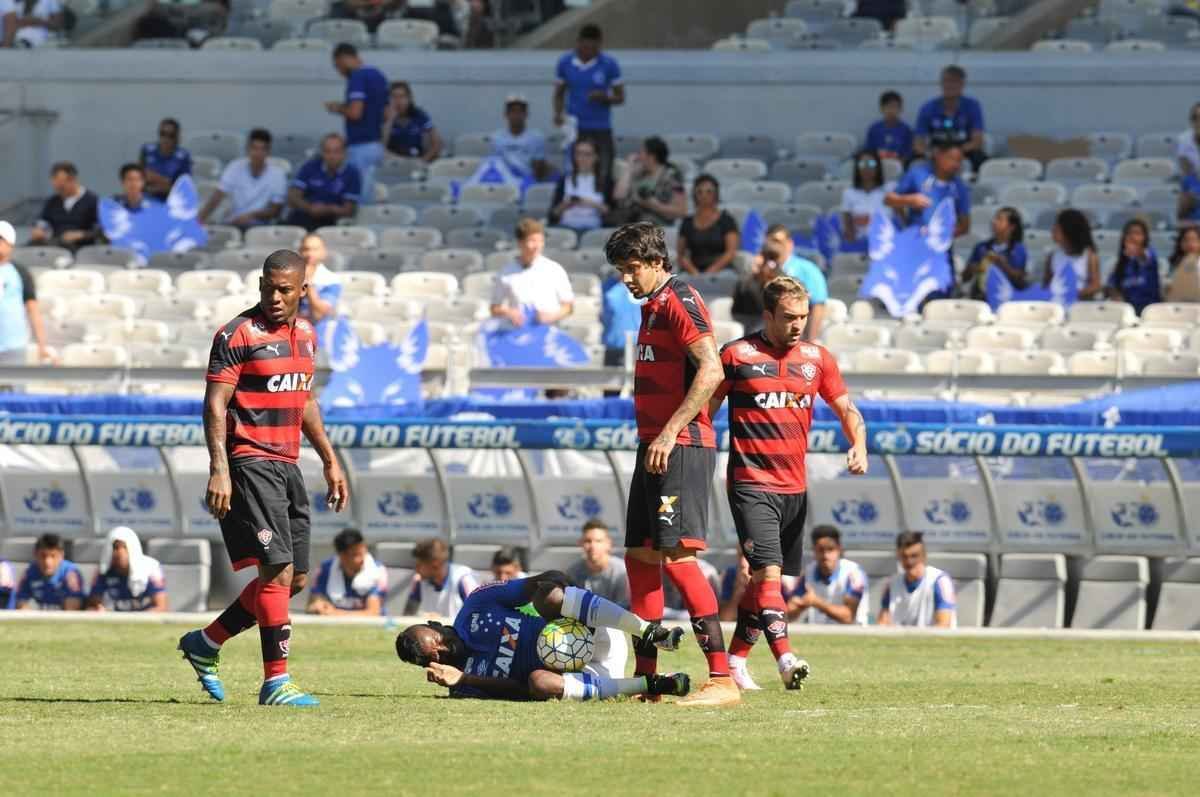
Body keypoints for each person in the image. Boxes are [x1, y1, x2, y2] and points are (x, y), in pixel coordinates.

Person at [177, 249, 349, 708]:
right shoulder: (237, 334)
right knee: (274, 569)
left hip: (288, 463)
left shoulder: (308, 336)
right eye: (268, 288)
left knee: (294, 579)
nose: (274, 297)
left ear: (302, 292)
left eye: (284, 289)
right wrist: (220, 469)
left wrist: (330, 459)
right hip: (249, 462)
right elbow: (215, 405)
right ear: (259, 285)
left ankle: (206, 642)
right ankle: (277, 681)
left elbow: (304, 400)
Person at [709, 277, 868, 690]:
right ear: (768, 316)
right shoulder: (737, 356)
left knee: (764, 582)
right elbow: (704, 411)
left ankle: (735, 661)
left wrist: (859, 445)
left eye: (802, 316)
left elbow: (847, 407)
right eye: (789, 317)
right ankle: (785, 660)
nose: (798, 325)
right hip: (750, 483)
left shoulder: (818, 359)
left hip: (794, 489)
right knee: (770, 577)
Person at [604, 221, 740, 708]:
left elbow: (712, 367)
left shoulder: (681, 299)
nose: (626, 278)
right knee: (640, 559)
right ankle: (648, 682)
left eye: (632, 267)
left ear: (657, 262)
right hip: (654, 446)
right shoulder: (651, 307)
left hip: (678, 446)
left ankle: (722, 680)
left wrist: (669, 431)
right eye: (621, 270)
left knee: (679, 557)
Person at [397, 571, 690, 702]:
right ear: (430, 666)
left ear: (435, 623)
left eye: (439, 639)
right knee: (539, 682)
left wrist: (559, 593)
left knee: (546, 594)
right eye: (435, 656)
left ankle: (649, 631)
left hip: (592, 629)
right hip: (589, 677)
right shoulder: (461, 686)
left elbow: (543, 580)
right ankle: (651, 684)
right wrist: (463, 680)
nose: (446, 649)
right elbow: (524, 692)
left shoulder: (477, 604)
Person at [885, 141, 971, 302]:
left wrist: (941, 236)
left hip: (941, 252)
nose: (956, 164)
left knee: (940, 299)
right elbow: (889, 199)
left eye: (960, 160)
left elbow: (965, 226)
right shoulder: (918, 174)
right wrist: (909, 200)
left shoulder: (959, 187)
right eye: (952, 158)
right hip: (915, 245)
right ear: (938, 155)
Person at [553, 24, 624, 185]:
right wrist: (558, 114)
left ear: (599, 45)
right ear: (578, 42)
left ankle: (603, 203)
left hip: (601, 127)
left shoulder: (609, 64)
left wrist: (604, 96)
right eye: (585, 48)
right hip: (576, 127)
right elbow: (559, 94)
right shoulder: (565, 62)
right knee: (575, 171)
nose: (588, 53)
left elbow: (620, 97)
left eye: (593, 49)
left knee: (604, 171)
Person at [326, 43, 388, 207]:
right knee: (369, 194)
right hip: (376, 144)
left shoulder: (357, 77)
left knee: (358, 199)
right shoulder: (378, 75)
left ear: (344, 58)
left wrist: (337, 108)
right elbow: (387, 114)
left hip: (361, 145)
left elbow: (355, 112)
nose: (339, 71)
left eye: (338, 65)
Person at [489, 218, 574, 328]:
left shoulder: (554, 269)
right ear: (520, 243)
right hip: (519, 333)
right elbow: (494, 308)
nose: (537, 246)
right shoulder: (506, 272)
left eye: (540, 241)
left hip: (549, 332)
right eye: (532, 240)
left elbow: (568, 307)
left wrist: (551, 316)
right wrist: (509, 312)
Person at [198, 128, 287, 229]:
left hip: (261, 227)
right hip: (234, 222)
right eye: (254, 148)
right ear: (248, 149)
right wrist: (198, 220)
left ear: (268, 151)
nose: (257, 153)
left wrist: (252, 215)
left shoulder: (278, 174)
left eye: (262, 149)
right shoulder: (234, 167)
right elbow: (217, 197)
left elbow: (276, 211)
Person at [787, 526, 869, 626]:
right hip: (818, 634)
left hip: (855, 634)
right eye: (821, 550)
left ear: (839, 550)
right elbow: (788, 615)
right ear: (814, 551)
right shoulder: (808, 573)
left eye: (830, 549)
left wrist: (816, 602)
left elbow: (849, 617)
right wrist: (800, 606)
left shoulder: (854, 573)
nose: (825, 555)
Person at [914, 65, 986, 170]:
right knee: (912, 162)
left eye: (954, 81)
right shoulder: (927, 108)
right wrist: (929, 152)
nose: (950, 85)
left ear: (962, 84)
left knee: (982, 160)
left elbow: (977, 142)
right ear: (941, 83)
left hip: (963, 151)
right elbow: (918, 143)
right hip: (935, 152)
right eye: (946, 81)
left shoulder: (972, 106)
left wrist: (954, 152)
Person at [0, 220, 53, 365]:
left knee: (15, 386)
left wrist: (42, 345)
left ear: (10, 243)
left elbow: (33, 309)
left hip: (13, 345)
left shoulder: (20, 272)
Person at [877, 532, 956, 628]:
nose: (909, 561)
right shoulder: (892, 583)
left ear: (924, 556)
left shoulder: (940, 581)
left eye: (914, 556)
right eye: (904, 556)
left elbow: (944, 624)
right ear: (898, 556)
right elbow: (882, 623)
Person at [286, 133, 362, 232]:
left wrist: (326, 209)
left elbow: (348, 210)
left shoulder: (352, 174)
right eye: (327, 151)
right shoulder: (310, 167)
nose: (332, 156)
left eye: (336, 151)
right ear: (322, 152)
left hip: (333, 222)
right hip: (304, 215)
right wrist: (310, 208)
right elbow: (293, 197)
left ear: (344, 153)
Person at [766, 224, 828, 339]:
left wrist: (811, 339)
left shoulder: (808, 269)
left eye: (777, 241)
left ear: (789, 244)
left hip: (796, 334)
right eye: (769, 243)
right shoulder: (762, 269)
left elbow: (818, 304)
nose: (773, 246)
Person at [85, 526, 168, 612]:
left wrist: (136, 620)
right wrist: (99, 610)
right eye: (116, 547)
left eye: (125, 547)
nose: (120, 553)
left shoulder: (151, 568)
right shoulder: (103, 571)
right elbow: (92, 606)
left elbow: (161, 607)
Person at [308, 527, 387, 616]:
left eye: (363, 552)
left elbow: (373, 613)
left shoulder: (377, 571)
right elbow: (313, 603)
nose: (361, 559)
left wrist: (335, 613)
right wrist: (318, 606)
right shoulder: (324, 569)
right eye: (355, 555)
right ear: (342, 556)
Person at [611, 136, 686, 227]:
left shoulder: (672, 176)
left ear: (651, 156)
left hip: (657, 229)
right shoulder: (637, 174)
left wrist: (654, 205)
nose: (638, 156)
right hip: (629, 227)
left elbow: (680, 211)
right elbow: (618, 195)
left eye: (641, 152)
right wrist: (629, 169)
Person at [29, 162, 100, 250]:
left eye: (62, 186)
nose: (60, 190)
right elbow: (43, 220)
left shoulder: (92, 201)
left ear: (73, 180)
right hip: (55, 246)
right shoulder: (53, 201)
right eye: (57, 187)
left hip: (81, 249)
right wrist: (39, 229)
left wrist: (82, 234)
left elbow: (100, 230)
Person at [961, 206, 1028, 300]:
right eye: (995, 218)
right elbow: (965, 277)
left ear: (1011, 227)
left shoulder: (1018, 250)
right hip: (982, 298)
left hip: (1008, 301)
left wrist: (1002, 264)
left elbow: (1019, 279)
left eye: (999, 219)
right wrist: (973, 268)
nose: (994, 221)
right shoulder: (981, 248)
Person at [677, 174, 739, 275]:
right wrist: (693, 272)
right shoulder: (687, 222)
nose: (704, 195)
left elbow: (730, 252)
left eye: (709, 192)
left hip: (722, 270)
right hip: (693, 271)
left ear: (716, 194)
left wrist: (711, 271)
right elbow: (681, 254)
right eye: (699, 192)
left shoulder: (726, 220)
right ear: (694, 195)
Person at [405, 537, 480, 618]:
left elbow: (478, 615)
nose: (416, 569)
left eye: (419, 565)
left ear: (435, 565)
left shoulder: (463, 579)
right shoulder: (419, 581)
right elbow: (408, 615)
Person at [549, 139, 613, 232]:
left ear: (596, 157)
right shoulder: (564, 180)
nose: (582, 158)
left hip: (594, 229)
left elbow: (610, 213)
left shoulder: (605, 181)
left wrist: (590, 203)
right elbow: (553, 214)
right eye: (578, 154)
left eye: (587, 154)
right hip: (566, 227)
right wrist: (567, 204)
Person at [1041, 208, 1102, 300]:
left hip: (1079, 305)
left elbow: (1095, 286)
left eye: (1057, 228)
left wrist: (1072, 294)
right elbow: (1046, 284)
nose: (1053, 230)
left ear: (1069, 231)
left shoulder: (1089, 256)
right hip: (1055, 305)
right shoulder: (1052, 255)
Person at [565, 519, 629, 607]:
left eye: (598, 541)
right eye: (588, 541)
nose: (592, 546)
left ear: (608, 544)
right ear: (580, 543)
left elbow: (624, 609)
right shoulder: (572, 573)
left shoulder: (622, 572)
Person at [13, 534, 85, 610]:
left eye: (53, 556)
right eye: (43, 556)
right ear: (36, 555)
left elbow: (72, 608)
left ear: (61, 556)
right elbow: (21, 603)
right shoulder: (29, 572)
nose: (47, 562)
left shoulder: (71, 573)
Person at [1105, 219, 1160, 315]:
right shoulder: (1118, 263)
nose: (1133, 237)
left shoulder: (1150, 255)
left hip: (1150, 311)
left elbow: (1147, 258)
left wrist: (1137, 253)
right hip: (1127, 312)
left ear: (1145, 237)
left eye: (1137, 233)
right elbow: (1111, 286)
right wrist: (1117, 296)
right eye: (1129, 233)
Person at [731, 240, 786, 333]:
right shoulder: (745, 283)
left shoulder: (745, 282)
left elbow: (735, 311)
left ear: (761, 256)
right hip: (751, 326)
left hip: (754, 328)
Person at [491, 94, 549, 181]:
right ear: (506, 114)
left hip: (527, 181)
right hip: (503, 182)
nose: (516, 115)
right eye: (512, 111)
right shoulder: (497, 138)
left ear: (526, 114)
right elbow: (495, 166)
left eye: (520, 111)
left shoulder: (536, 137)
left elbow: (539, 169)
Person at [297, 233, 342, 344]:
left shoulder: (331, 280)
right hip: (291, 336)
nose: (310, 254)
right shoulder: (289, 277)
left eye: (315, 249)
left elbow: (319, 314)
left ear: (323, 252)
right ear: (300, 252)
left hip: (319, 338)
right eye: (306, 249)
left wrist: (308, 285)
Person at [382, 81, 442, 162]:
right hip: (393, 162)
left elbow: (437, 144)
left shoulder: (419, 115)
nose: (398, 101)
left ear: (409, 98)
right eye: (394, 97)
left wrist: (423, 161)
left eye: (402, 96)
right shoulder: (384, 116)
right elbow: (380, 147)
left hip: (417, 160)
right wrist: (390, 120)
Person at [840, 149, 890, 243]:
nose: (867, 168)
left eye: (871, 163)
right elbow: (847, 227)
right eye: (862, 164)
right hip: (858, 243)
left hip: (885, 242)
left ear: (878, 167)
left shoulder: (890, 190)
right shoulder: (848, 193)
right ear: (857, 168)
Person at [140, 118, 192, 202]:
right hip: (146, 200)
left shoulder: (183, 157)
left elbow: (184, 189)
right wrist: (165, 181)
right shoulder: (147, 150)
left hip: (170, 201)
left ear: (177, 138)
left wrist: (156, 180)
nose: (166, 139)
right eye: (162, 134)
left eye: (171, 135)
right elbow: (138, 178)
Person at [864, 90, 914, 163]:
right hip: (877, 167)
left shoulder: (906, 130)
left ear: (901, 109)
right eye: (888, 107)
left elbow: (908, 155)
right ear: (881, 108)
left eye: (894, 107)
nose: (891, 111)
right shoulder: (874, 129)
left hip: (899, 166)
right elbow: (868, 152)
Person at [1166, 226, 1200, 303]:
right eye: (1186, 240)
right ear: (1180, 243)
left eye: (1194, 240)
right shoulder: (1173, 264)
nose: (1190, 243)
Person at [1177, 101, 1200, 178]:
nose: (1198, 122)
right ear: (1190, 121)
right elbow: (1187, 172)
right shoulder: (1183, 140)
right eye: (1195, 118)